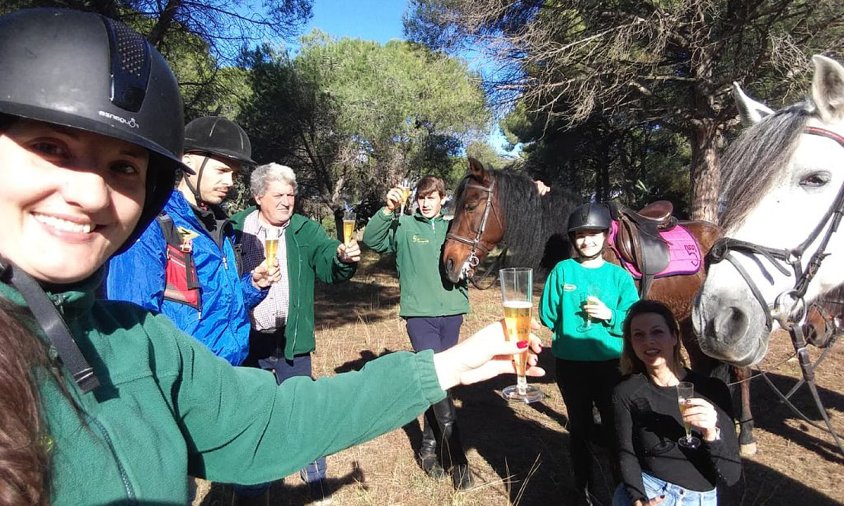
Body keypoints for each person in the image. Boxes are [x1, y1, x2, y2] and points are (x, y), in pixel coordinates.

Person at [0, 8, 544, 504]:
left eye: (124, 167)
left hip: (261, 353)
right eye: (50, 149)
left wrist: (451, 364)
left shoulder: (137, 342)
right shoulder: (224, 236)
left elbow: (270, 417)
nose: (92, 194)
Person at [229, 162, 361, 504]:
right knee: (252, 411)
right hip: (248, 340)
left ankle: (314, 477)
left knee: (302, 406)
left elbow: (330, 263)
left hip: (292, 338)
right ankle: (254, 482)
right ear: (259, 197)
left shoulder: (303, 230)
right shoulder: (235, 229)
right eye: (279, 195)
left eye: (291, 194)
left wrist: (344, 258)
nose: (287, 201)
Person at [106, 114, 278, 366]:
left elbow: (217, 302)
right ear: (187, 163)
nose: (229, 182)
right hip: (183, 379)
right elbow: (131, 322)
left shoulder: (220, 226)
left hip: (228, 372)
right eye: (222, 170)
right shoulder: (152, 224)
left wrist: (253, 285)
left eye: (235, 175)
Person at [362, 176, 476, 490]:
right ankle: (457, 457)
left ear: (443, 199)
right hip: (420, 316)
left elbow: (474, 250)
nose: (425, 203)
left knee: (441, 380)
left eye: (432, 198)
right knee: (437, 378)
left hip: (451, 312)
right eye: (421, 198)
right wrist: (387, 208)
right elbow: (371, 240)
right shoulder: (406, 227)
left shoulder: (454, 227)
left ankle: (428, 446)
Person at [539, 202, 639, 505]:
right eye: (580, 235)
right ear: (573, 239)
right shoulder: (562, 270)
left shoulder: (619, 277)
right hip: (571, 365)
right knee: (579, 427)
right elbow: (546, 314)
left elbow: (635, 320)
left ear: (606, 236)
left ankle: (624, 486)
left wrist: (610, 314)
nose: (587, 240)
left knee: (615, 427)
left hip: (612, 365)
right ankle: (582, 486)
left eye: (594, 234)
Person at [612, 300, 741, 506]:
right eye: (639, 335)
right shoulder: (626, 391)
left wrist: (711, 434)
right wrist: (638, 499)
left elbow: (732, 473)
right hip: (651, 489)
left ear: (674, 337)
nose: (648, 341)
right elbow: (625, 454)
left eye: (657, 332)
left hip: (698, 498)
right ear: (631, 344)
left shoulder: (712, 391)